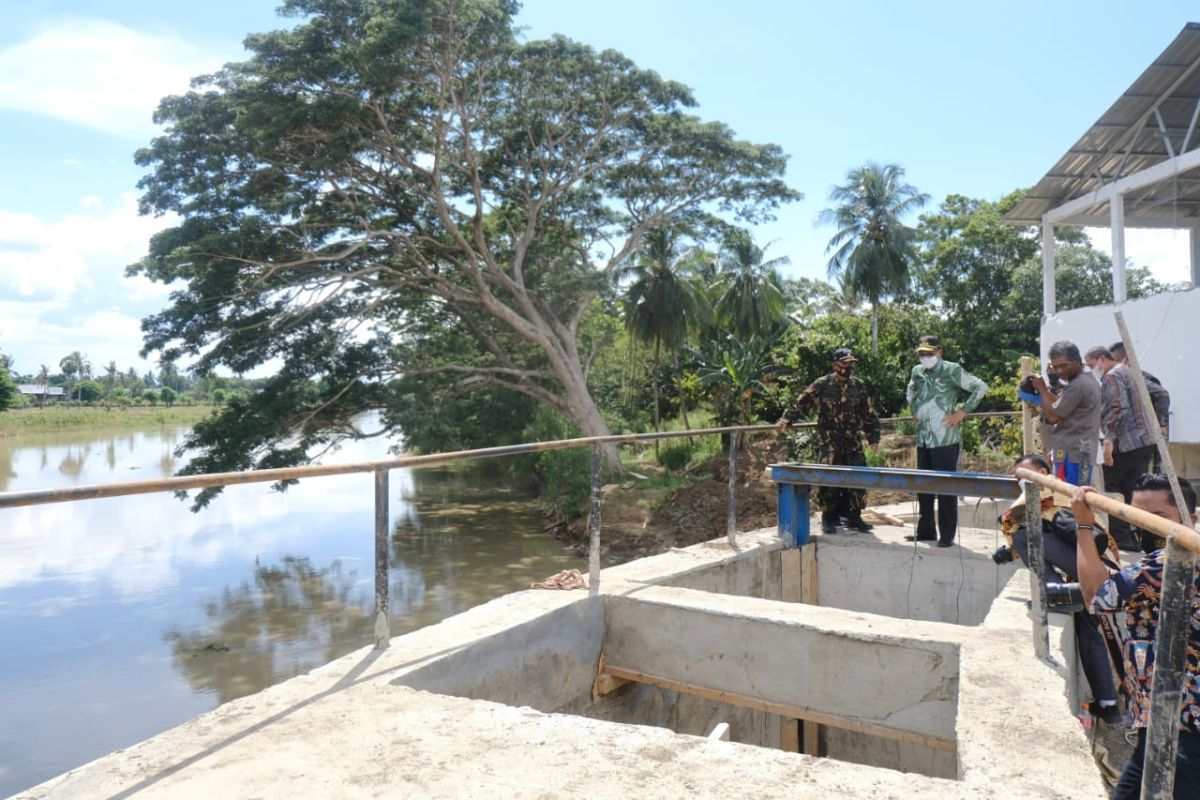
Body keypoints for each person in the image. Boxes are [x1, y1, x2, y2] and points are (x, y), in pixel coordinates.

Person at [1074, 474, 1200, 799]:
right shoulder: (1161, 563)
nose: (1146, 527)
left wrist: (1084, 527)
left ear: (1190, 519)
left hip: (1183, 728)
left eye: (1157, 519)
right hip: (1161, 721)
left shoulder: (1168, 561)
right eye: (1136, 517)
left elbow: (1095, 597)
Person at [996, 455, 1122, 723]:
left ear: (1043, 472)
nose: (1021, 481)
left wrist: (1014, 545)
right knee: (1089, 632)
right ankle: (1108, 704)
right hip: (1094, 568)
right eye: (1017, 477)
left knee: (1021, 534)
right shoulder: (1058, 497)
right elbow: (1051, 537)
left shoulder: (1050, 491)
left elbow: (1025, 531)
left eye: (1024, 473)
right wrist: (1010, 553)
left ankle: (1054, 594)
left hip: (1089, 564)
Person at [777, 347, 880, 534]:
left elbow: (868, 413)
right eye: (845, 363)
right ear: (835, 364)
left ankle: (854, 516)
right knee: (828, 480)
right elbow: (802, 401)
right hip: (830, 441)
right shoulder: (822, 384)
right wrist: (787, 417)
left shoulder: (858, 386)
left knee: (859, 478)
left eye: (851, 363)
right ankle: (828, 518)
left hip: (853, 442)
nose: (848, 367)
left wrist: (873, 437)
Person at [905, 335, 987, 547]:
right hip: (924, 439)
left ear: (939, 352)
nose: (925, 357)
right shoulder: (917, 371)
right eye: (922, 354)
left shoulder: (952, 370)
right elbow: (910, 390)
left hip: (944, 439)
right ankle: (926, 531)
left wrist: (962, 412)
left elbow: (981, 387)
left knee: (946, 488)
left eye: (929, 353)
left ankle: (947, 535)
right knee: (923, 487)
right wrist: (913, 408)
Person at [1090, 346, 1157, 552]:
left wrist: (1109, 438)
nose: (1092, 369)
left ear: (1101, 359)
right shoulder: (1128, 371)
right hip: (1143, 442)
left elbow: (1118, 408)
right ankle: (1143, 537)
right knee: (1133, 489)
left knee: (1111, 485)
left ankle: (1122, 537)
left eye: (1091, 364)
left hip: (1126, 443)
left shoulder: (1112, 375)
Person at [1030, 341, 1101, 487]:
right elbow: (1061, 406)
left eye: (1063, 365)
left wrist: (1042, 390)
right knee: (1077, 495)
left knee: (1070, 497)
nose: (1059, 371)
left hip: (1072, 452)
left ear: (1077, 361)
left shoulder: (1078, 385)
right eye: (1055, 367)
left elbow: (1053, 416)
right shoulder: (1086, 379)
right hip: (1080, 451)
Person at [1110, 340, 1170, 473]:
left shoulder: (1138, 377)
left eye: (1115, 361)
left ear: (1126, 359)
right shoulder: (1121, 378)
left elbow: (1162, 395)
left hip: (1151, 435)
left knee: (1156, 471)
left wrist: (1161, 424)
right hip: (1137, 440)